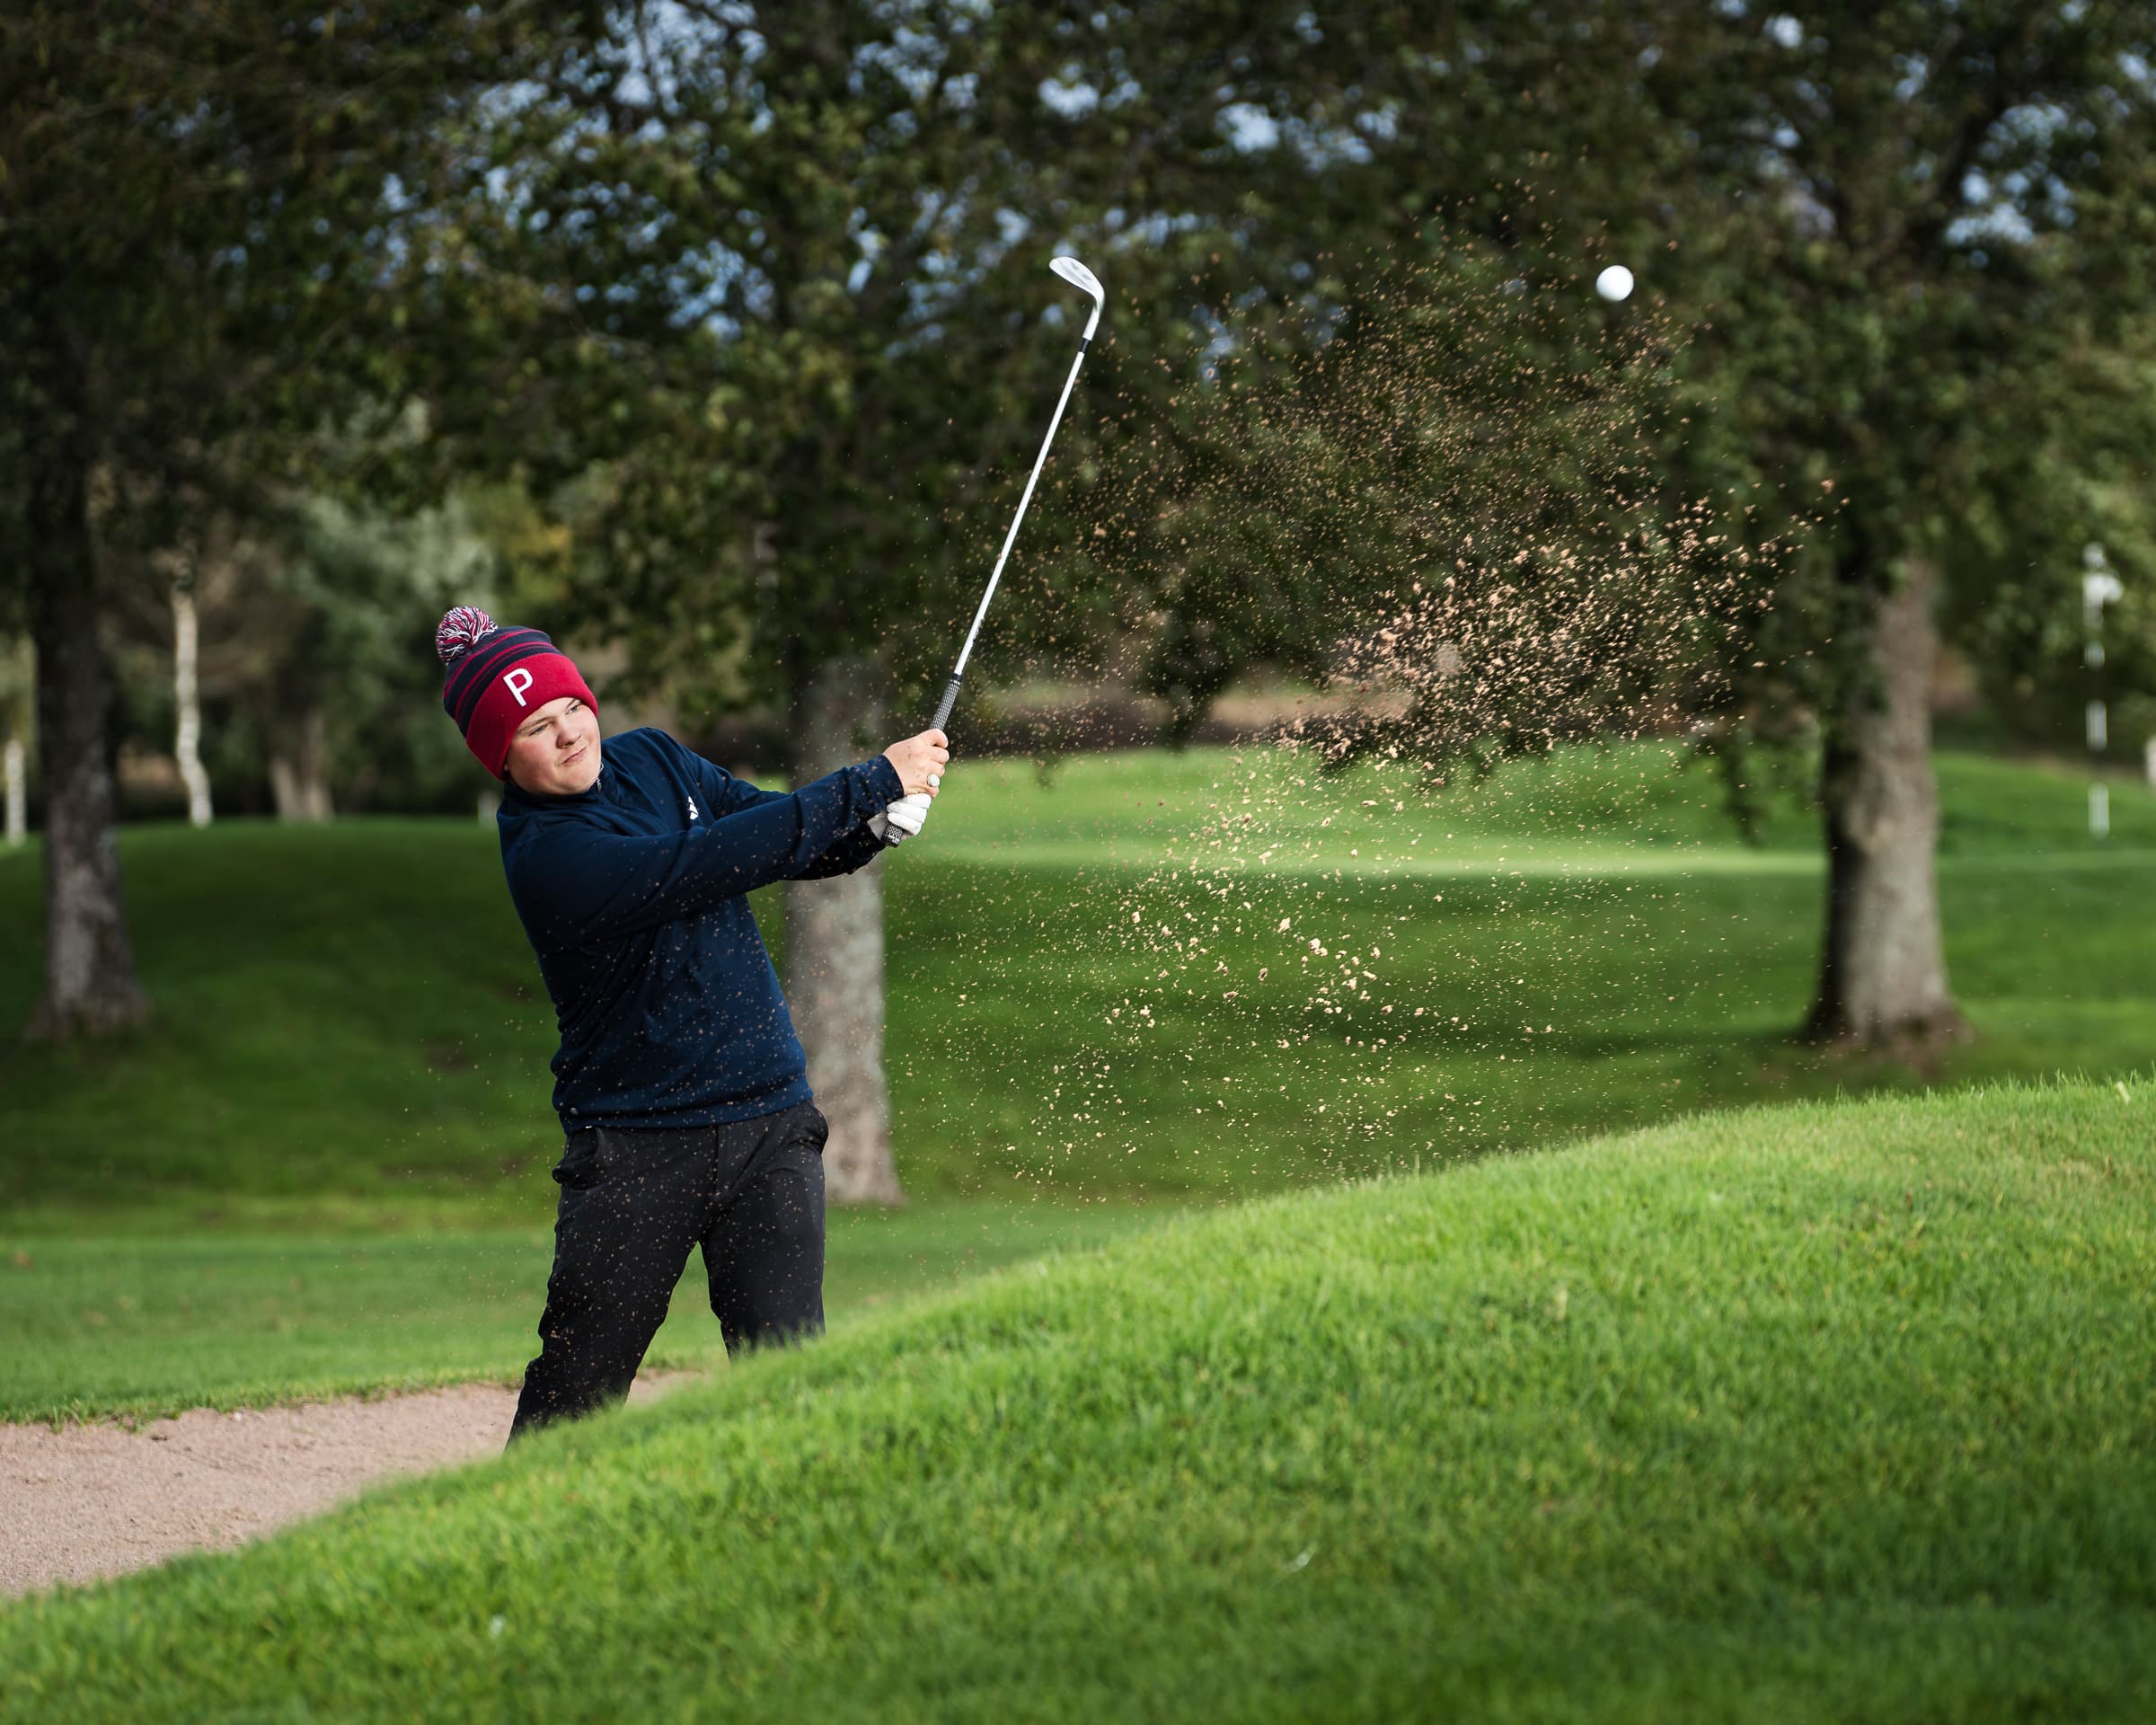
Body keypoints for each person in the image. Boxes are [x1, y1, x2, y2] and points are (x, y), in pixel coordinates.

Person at [433, 606, 948, 1445]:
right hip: (638, 1148)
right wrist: (870, 781)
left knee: (791, 1379)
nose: (568, 735)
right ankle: (519, 1549)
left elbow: (781, 835)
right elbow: (714, 861)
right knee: (578, 1392)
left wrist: (876, 826)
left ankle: (800, 1550)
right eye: (534, 727)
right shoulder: (547, 857)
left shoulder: (653, 759)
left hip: (769, 1123)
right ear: (499, 756)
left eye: (572, 707)